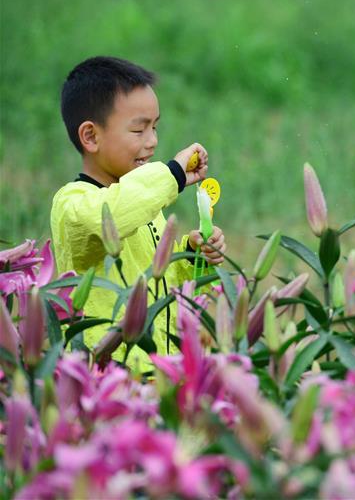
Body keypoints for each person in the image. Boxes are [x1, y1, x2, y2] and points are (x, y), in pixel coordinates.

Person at [51, 56, 226, 370]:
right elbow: (110, 219)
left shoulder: (141, 204)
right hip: (106, 372)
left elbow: (159, 281)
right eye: (139, 130)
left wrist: (190, 256)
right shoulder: (73, 204)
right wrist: (172, 173)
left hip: (155, 370)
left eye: (155, 127)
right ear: (90, 136)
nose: (153, 141)